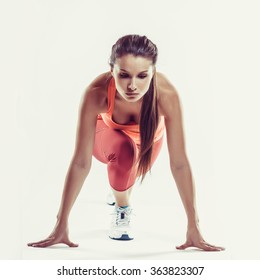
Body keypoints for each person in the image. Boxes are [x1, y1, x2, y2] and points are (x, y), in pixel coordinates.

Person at [28, 34, 224, 251]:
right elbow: (81, 162)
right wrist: (61, 223)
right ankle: (123, 207)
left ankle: (118, 186)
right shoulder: (97, 92)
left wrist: (193, 226)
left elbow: (179, 163)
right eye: (123, 75)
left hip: (147, 144)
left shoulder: (166, 96)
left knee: (128, 167)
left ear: (153, 72)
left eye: (142, 76)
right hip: (107, 139)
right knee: (125, 150)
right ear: (111, 70)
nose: (132, 86)